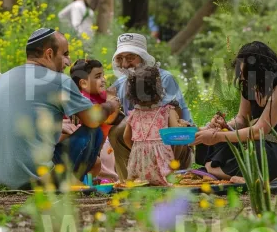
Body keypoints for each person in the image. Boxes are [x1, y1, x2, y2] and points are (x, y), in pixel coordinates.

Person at [0, 28, 121, 190]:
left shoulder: (3, 78)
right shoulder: (58, 81)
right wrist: (111, 105)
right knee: (94, 132)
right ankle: (68, 182)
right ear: (49, 54)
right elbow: (92, 119)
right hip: (34, 179)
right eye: (65, 54)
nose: (69, 61)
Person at [192, 41, 277, 182]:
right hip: (271, 142)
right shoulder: (250, 85)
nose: (241, 77)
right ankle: (230, 172)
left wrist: (217, 136)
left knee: (255, 148)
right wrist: (222, 127)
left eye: (245, 73)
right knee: (219, 141)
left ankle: (221, 172)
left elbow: (259, 131)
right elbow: (242, 119)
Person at [108, 33, 192, 180]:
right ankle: (129, 180)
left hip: (172, 143)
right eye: (120, 58)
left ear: (142, 58)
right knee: (117, 131)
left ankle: (170, 176)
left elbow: (175, 118)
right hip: (140, 147)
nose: (125, 64)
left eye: (130, 58)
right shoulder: (121, 83)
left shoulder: (164, 79)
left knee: (166, 127)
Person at [124, 65, 187, 186]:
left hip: (138, 163)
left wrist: (138, 147)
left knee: (136, 182)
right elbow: (176, 132)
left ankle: (135, 184)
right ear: (158, 89)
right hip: (161, 161)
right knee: (169, 181)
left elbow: (126, 137)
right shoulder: (166, 111)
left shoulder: (133, 115)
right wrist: (182, 124)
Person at [69, 58, 120, 182]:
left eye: (103, 75)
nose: (103, 80)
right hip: (93, 147)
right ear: (83, 83)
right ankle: (100, 179)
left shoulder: (100, 95)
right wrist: (111, 99)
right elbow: (109, 119)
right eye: (98, 76)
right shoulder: (84, 101)